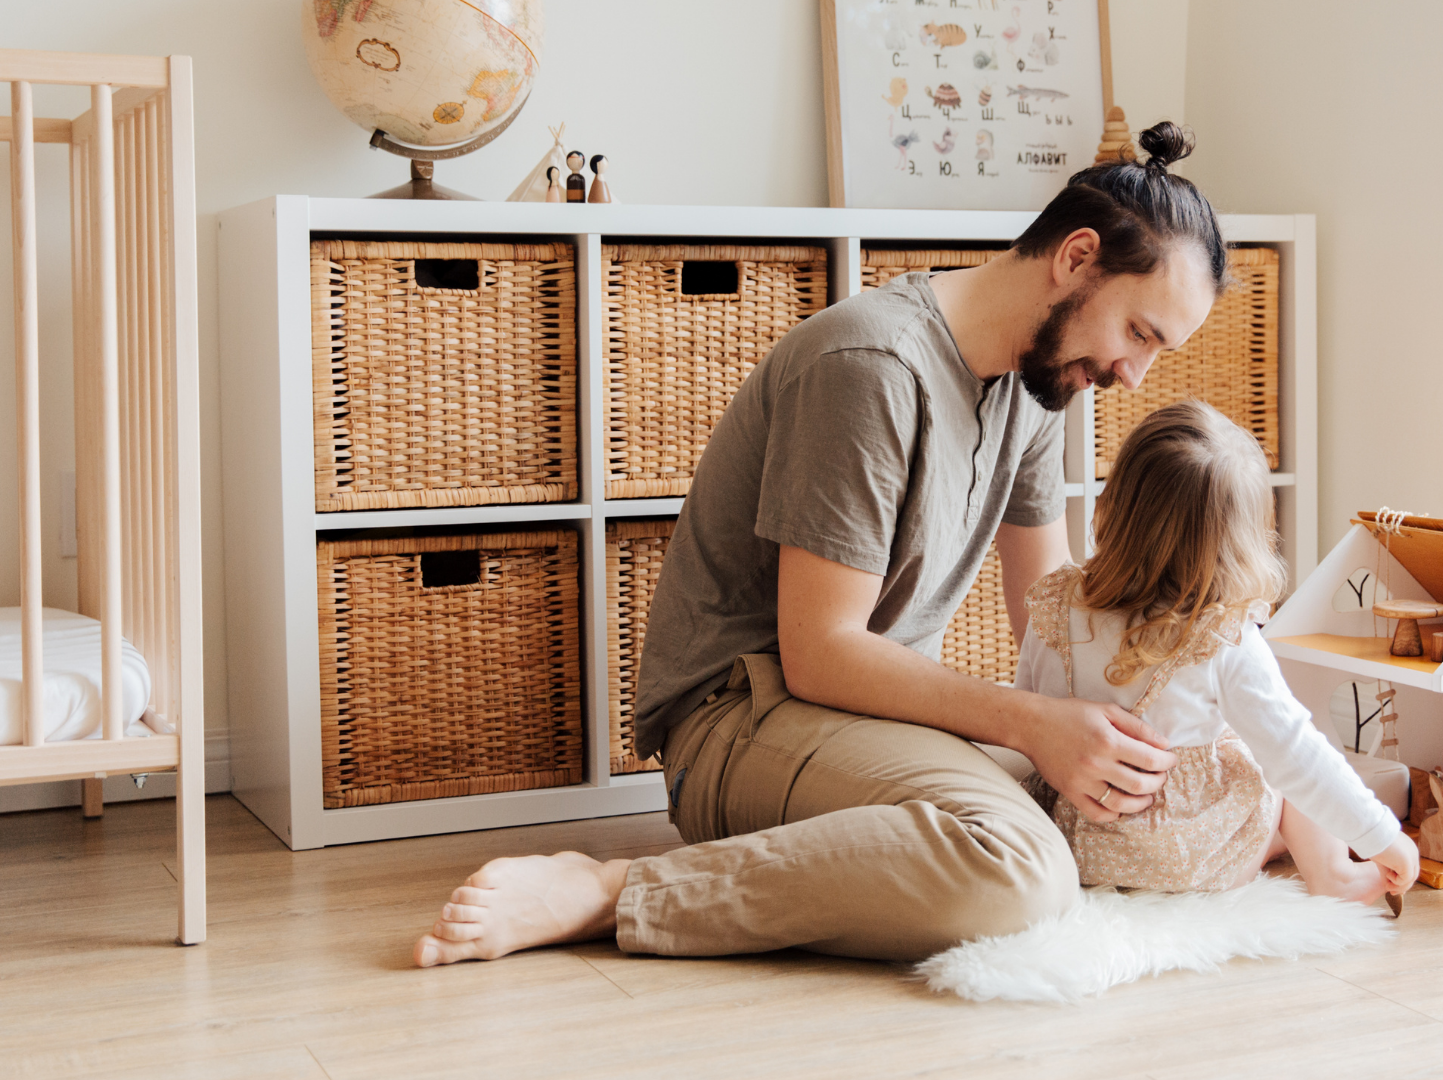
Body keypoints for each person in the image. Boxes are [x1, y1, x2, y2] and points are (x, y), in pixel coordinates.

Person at [415, 124, 1228, 966]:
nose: (1134, 375)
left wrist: (1165, 712)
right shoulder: (872, 366)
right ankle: (616, 890)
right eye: (1139, 333)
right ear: (1077, 258)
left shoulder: (1033, 385)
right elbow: (819, 652)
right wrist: (1036, 728)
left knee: (1128, 795)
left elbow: (1050, 618)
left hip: (870, 720)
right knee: (1023, 871)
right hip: (742, 718)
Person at [1015, 401, 1419, 906]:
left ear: (1113, 503)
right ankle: (1333, 872)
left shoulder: (1055, 603)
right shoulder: (1223, 637)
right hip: (1183, 856)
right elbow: (1298, 755)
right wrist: (1384, 836)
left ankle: (1276, 847)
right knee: (1279, 760)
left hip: (1074, 840)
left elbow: (1027, 709)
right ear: (1242, 545)